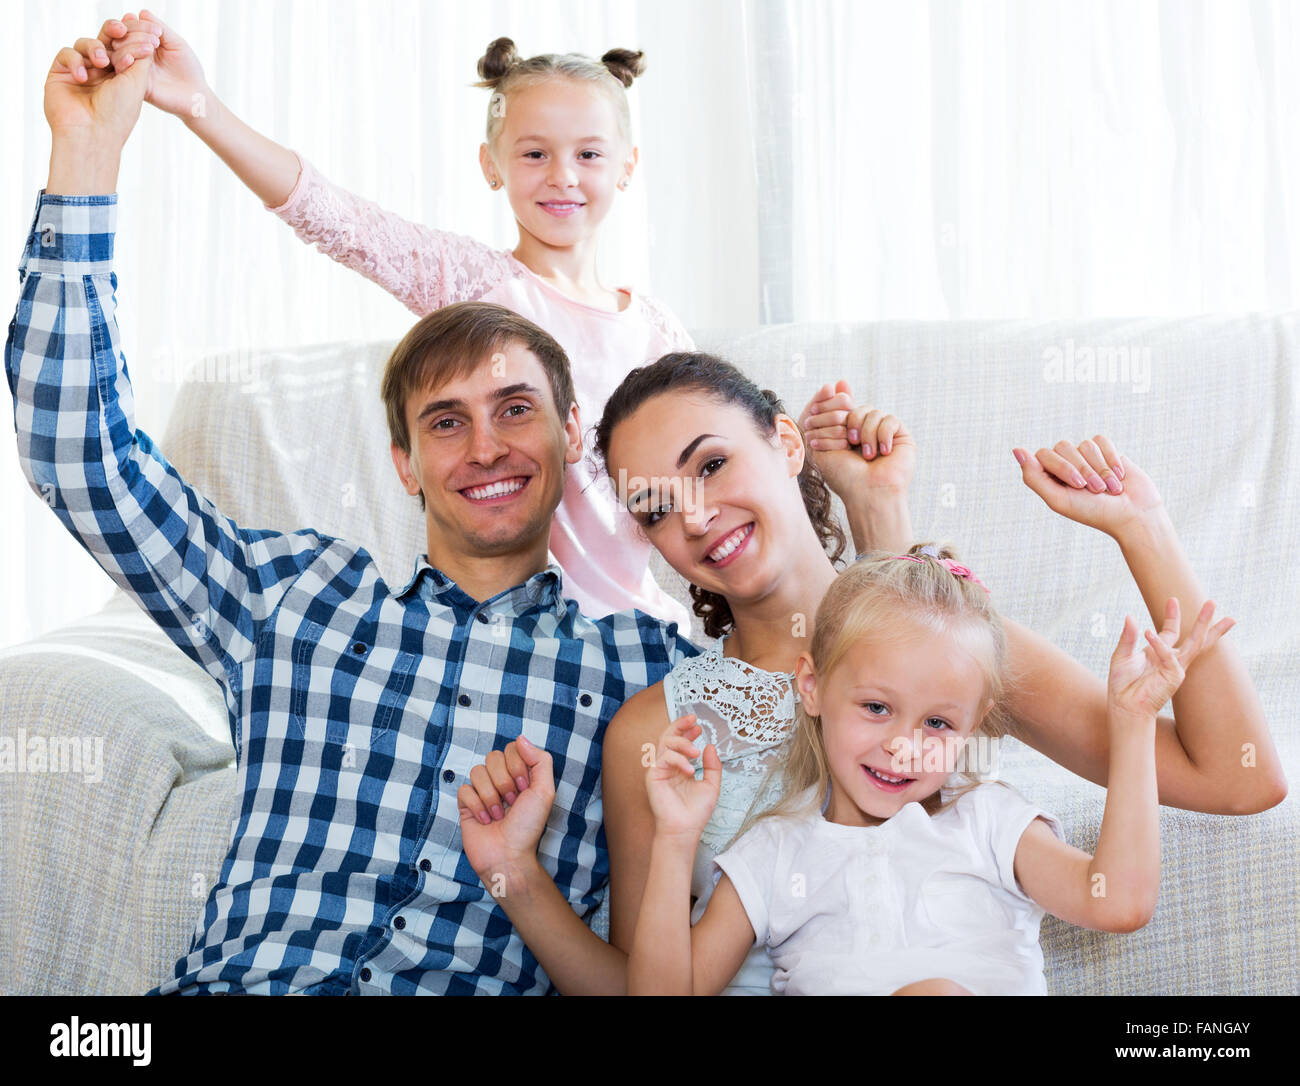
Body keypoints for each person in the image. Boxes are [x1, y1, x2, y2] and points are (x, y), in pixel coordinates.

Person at [13, 33, 891, 995]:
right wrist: (85, 162)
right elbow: (80, 459)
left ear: (572, 437)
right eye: (445, 422)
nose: (483, 449)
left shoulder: (656, 678)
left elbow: (863, 701)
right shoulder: (294, 600)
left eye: (515, 411)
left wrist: (866, 506)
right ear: (404, 464)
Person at [456, 352, 1285, 995]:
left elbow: (1237, 777)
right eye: (659, 509)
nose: (698, 518)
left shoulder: (943, 640)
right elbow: (651, 987)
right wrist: (516, 876)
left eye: (711, 466)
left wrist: (1144, 532)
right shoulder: (657, 734)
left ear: (784, 442)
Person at [73, 11, 713, 628]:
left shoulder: (657, 330)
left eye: (590, 155)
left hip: (640, 636)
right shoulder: (481, 287)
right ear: (492, 165)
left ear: (627, 166)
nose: (563, 177)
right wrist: (198, 102)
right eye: (534, 154)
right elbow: (335, 218)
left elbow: (720, 473)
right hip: (519, 640)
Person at [626, 546, 1231, 995]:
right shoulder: (772, 852)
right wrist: (676, 843)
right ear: (811, 686)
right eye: (876, 708)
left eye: (938, 724)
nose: (904, 747)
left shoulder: (990, 821)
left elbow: (1119, 903)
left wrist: (1130, 725)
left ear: (975, 723)